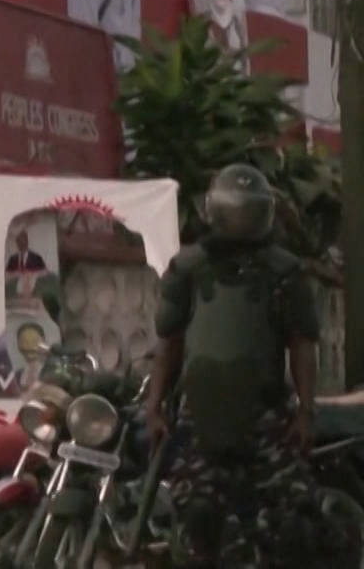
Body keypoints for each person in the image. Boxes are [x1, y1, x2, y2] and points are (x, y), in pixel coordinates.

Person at [144, 164, 342, 567]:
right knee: (197, 521)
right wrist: (153, 406)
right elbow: (170, 342)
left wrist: (306, 410)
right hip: (203, 419)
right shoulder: (187, 270)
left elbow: (302, 345)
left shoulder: (283, 272)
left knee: (296, 526)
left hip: (266, 420)